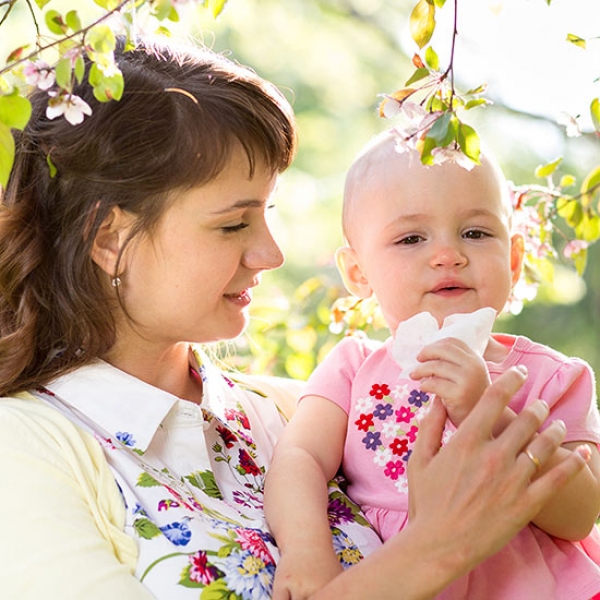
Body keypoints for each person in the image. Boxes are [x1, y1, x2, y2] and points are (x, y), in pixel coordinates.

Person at [0, 38, 591, 600]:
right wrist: (436, 549)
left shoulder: (286, 411)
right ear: (110, 238)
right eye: (233, 223)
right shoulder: (25, 452)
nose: (272, 255)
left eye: (267, 214)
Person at [264, 130, 600, 599]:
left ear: (515, 259)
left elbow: (580, 515)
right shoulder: (352, 368)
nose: (448, 255)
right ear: (358, 273)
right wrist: (306, 551)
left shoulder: (552, 376)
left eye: (476, 233)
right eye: (411, 238)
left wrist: (488, 411)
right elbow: (297, 460)